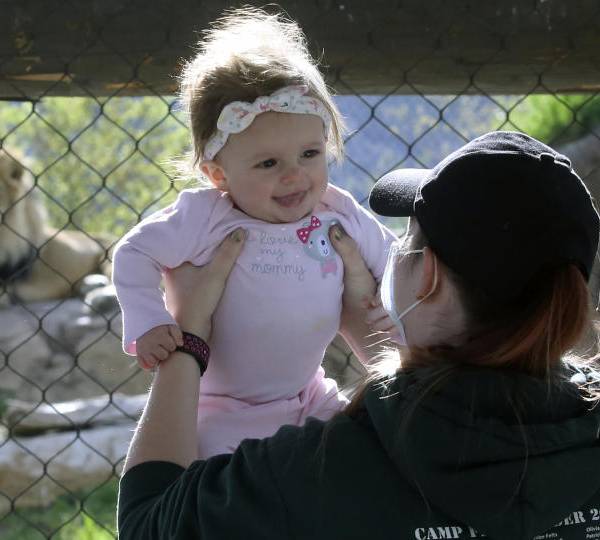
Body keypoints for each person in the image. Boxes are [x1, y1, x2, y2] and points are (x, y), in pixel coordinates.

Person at [116, 131, 600, 539]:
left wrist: (189, 337)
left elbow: (148, 524)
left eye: (405, 243)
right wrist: (386, 340)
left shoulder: (317, 467)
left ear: (428, 274)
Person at [111, 7, 396, 458]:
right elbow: (134, 253)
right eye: (268, 163)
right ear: (217, 174)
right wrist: (149, 319)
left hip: (309, 394)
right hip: (220, 408)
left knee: (365, 453)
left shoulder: (336, 211)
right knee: (227, 495)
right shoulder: (204, 217)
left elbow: (392, 259)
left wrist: (391, 310)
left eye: (309, 153)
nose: (294, 176)